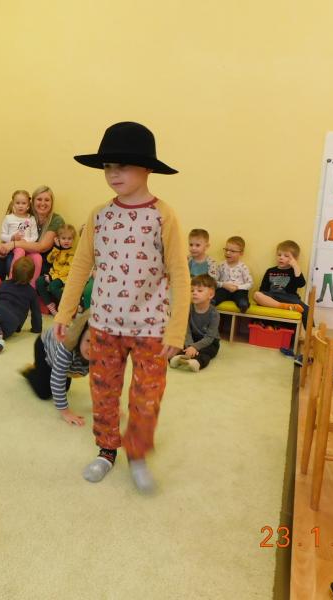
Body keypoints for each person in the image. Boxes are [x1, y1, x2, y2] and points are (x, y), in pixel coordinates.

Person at [53, 121, 190, 494]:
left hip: (151, 328)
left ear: (147, 169)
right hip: (104, 325)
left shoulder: (163, 215)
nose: (113, 173)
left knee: (147, 398)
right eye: (108, 166)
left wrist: (176, 330)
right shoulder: (99, 215)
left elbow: (180, 274)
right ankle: (106, 449)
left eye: (123, 166)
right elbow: (81, 266)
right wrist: (65, 313)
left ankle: (138, 454)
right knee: (104, 392)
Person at [21, 311, 90, 427]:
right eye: (88, 341)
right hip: (44, 347)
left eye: (100, 343)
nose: (93, 349)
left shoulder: (104, 356)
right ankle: (31, 372)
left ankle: (43, 371)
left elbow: (103, 382)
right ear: (79, 338)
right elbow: (57, 379)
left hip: (64, 363)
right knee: (44, 393)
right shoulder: (67, 348)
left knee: (65, 388)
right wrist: (66, 412)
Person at [0, 186, 65, 282]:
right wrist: (3, 248)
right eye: (39, 199)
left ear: (52, 203)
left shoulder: (56, 220)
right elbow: (9, 233)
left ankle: (19, 286)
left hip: (43, 259)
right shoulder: (25, 215)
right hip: (19, 251)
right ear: (32, 202)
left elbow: (42, 247)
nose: (43, 203)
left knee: (17, 262)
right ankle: (1, 288)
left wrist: (14, 244)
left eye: (47, 200)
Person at [170, 274, 220, 372]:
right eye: (192, 290)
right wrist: (190, 346)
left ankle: (197, 362)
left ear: (211, 294)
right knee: (178, 345)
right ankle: (175, 358)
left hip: (210, 341)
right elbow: (186, 331)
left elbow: (210, 337)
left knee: (206, 352)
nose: (194, 293)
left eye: (199, 291)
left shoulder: (214, 314)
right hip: (192, 337)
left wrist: (195, 347)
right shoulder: (188, 309)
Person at [253, 240, 308, 326]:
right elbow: (263, 289)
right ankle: (283, 306)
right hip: (272, 297)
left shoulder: (293, 271)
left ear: (294, 259)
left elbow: (301, 284)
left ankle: (311, 331)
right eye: (279, 255)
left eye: (286, 256)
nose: (281, 258)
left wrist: (295, 266)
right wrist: (263, 299)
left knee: (305, 308)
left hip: (289, 298)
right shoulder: (270, 271)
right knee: (256, 294)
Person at [35, 224, 76, 315]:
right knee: (39, 281)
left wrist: (52, 278)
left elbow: (67, 269)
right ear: (58, 239)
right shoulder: (57, 250)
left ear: (73, 240)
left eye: (69, 239)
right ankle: (50, 304)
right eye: (63, 238)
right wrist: (56, 247)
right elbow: (49, 259)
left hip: (63, 277)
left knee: (53, 286)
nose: (66, 241)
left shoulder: (72, 253)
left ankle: (67, 306)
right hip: (53, 275)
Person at [0, 189, 39, 282]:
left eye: (24, 203)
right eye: (17, 203)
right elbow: (2, 235)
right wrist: (12, 237)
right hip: (14, 247)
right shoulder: (8, 218)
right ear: (13, 204)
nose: (20, 206)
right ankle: (12, 281)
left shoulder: (31, 219)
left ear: (28, 205)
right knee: (20, 251)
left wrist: (25, 241)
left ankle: (32, 285)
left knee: (38, 257)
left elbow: (35, 236)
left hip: (28, 247)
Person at [213, 236, 252, 313]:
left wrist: (238, 287)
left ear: (241, 253)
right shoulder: (221, 265)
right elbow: (214, 281)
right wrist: (223, 285)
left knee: (241, 296)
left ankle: (243, 304)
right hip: (224, 289)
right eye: (226, 250)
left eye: (232, 251)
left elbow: (250, 283)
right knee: (218, 294)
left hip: (239, 290)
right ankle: (212, 302)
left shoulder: (243, 267)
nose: (228, 253)